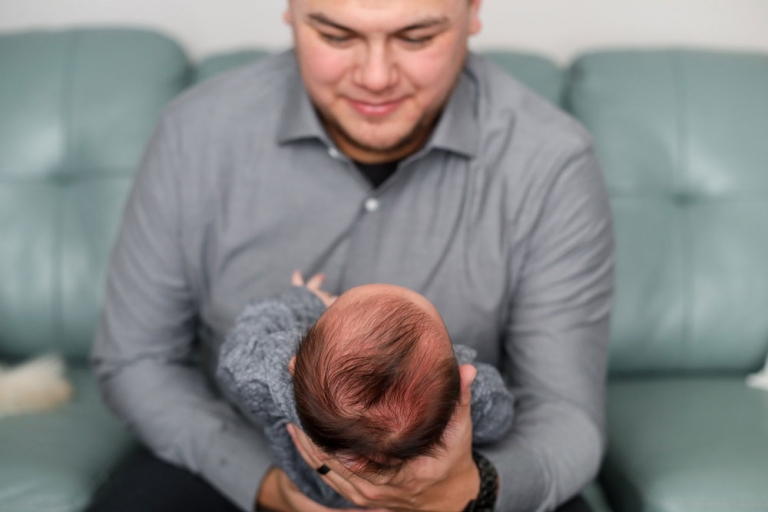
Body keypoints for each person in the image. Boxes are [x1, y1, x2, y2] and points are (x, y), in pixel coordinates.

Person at [89, 0, 614, 511]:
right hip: (243, 455)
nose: (376, 77)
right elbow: (138, 359)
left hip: (467, 477)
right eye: (337, 36)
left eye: (417, 37)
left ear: (474, 11)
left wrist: (468, 492)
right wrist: (270, 486)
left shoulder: (552, 161)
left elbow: (564, 414)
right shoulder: (196, 134)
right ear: (291, 12)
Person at [216, 276, 515, 508]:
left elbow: (236, 354)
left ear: (294, 364)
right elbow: (500, 418)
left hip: (309, 491)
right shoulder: (461, 397)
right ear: (458, 376)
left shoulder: (273, 372)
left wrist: (304, 300)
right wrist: (475, 386)